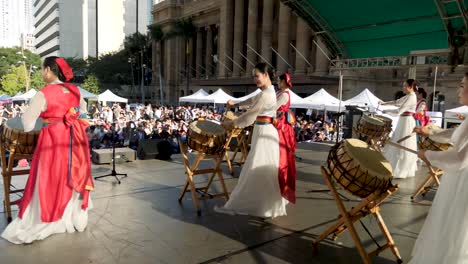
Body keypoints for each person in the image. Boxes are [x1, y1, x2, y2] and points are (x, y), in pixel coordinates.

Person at [1, 57, 94, 244]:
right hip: (76, 139)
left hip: (53, 139)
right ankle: (72, 217)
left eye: (43, 69)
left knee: (50, 176)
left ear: (49, 70)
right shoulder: (75, 91)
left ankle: (50, 217)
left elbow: (27, 123)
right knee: (73, 173)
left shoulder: (43, 93)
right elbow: (84, 114)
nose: (42, 73)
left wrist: (41, 124)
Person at [214, 63, 288, 218]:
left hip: (264, 133)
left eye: (257, 75)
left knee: (256, 167)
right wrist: (236, 103)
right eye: (254, 76)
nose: (255, 79)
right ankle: (266, 205)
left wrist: (230, 124)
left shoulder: (267, 94)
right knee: (264, 169)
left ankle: (253, 203)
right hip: (265, 131)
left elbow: (250, 115)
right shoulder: (268, 91)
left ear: (266, 75)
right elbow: (252, 100)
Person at [409, 73, 468, 264]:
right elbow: (457, 134)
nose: (458, 90)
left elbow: (460, 159)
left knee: (453, 229)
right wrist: (431, 131)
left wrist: (428, 155)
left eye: (462, 85)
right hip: (458, 180)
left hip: (462, 183)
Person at [379, 79, 418, 178]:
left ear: (410, 87)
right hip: (403, 121)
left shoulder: (412, 97)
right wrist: (384, 103)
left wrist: (386, 111)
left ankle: (401, 170)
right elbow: (397, 102)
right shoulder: (408, 96)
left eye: (405, 86)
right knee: (398, 142)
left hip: (407, 122)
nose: (403, 88)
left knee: (403, 144)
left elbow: (399, 111)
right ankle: (396, 168)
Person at [275, 73, 297, 204]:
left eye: (279, 80)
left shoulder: (284, 94)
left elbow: (272, 107)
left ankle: (282, 183)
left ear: (283, 81)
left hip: (281, 126)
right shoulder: (280, 92)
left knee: (282, 155)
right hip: (279, 122)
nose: (278, 82)